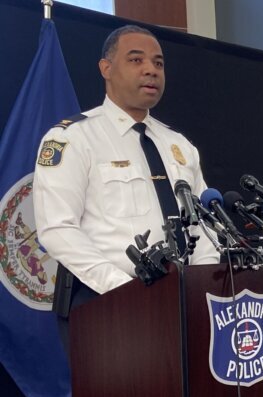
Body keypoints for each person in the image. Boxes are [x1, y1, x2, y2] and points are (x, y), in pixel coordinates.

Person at [33, 25, 220, 319]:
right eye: (136, 60)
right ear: (106, 68)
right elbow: (58, 229)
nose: (151, 70)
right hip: (107, 303)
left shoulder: (178, 145)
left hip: (183, 302)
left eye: (158, 63)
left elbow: (205, 227)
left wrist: (197, 284)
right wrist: (125, 290)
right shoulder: (72, 138)